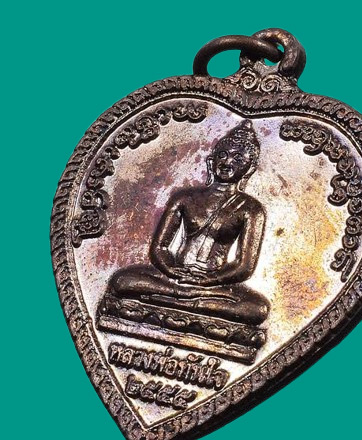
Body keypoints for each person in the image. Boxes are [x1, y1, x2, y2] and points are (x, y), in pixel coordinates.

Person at [107, 119, 270, 327]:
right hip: (174, 278)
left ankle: (175, 302)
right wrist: (171, 270)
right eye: (222, 155)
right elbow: (160, 247)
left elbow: (244, 266)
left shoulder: (251, 209)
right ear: (212, 160)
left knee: (256, 309)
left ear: (249, 168)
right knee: (122, 281)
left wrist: (208, 280)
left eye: (238, 158)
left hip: (213, 285)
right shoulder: (185, 198)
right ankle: (190, 303)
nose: (227, 162)